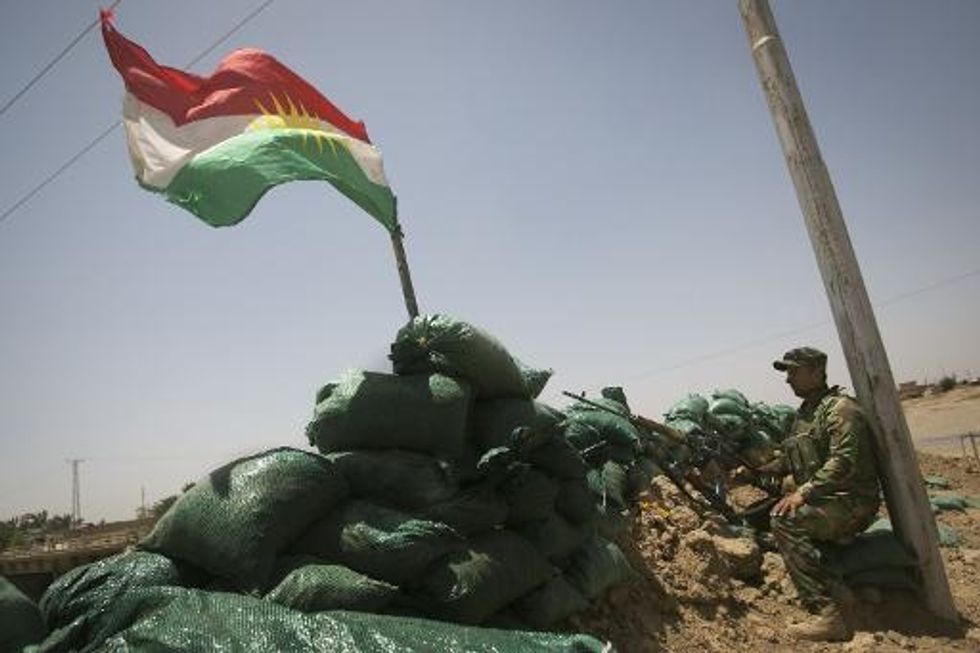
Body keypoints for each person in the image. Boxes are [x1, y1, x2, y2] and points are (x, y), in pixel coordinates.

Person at [767, 346, 881, 641]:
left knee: (785, 519)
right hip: (827, 498)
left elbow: (843, 461)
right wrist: (754, 470)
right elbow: (790, 459)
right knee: (768, 509)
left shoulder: (840, 409)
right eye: (787, 372)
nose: (788, 379)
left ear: (816, 371)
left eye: (794, 371)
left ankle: (828, 615)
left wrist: (804, 493)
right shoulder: (806, 413)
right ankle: (836, 585)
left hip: (852, 501)